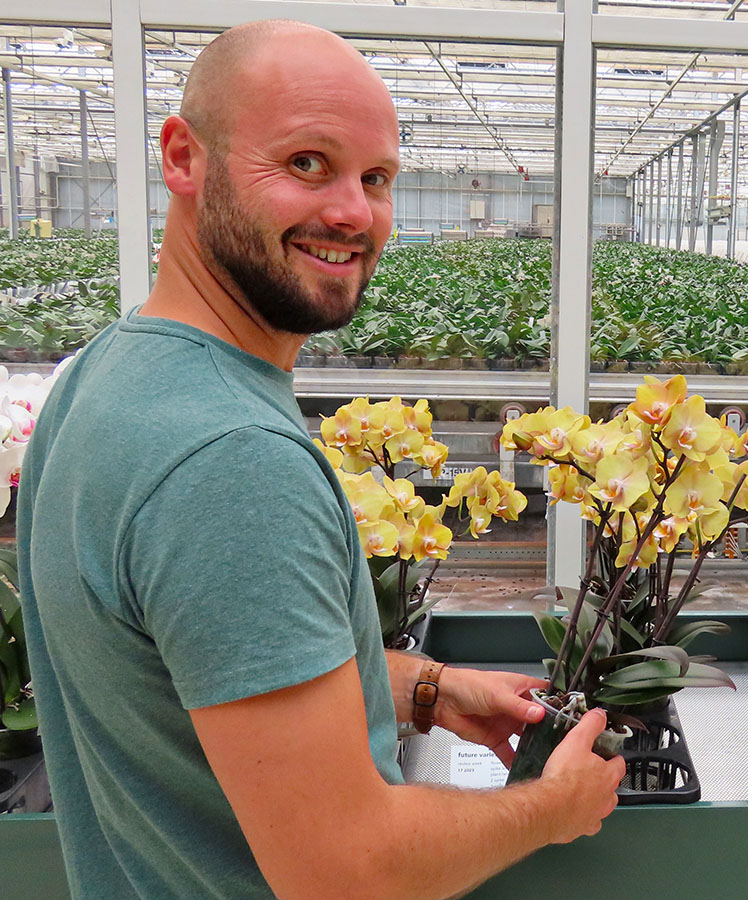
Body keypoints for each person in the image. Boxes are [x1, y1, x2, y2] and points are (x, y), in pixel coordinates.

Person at [17, 19, 624, 900]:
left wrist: (425, 688)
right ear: (183, 158)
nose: (350, 211)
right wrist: (552, 806)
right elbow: (348, 868)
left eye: (375, 178)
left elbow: (202, 661)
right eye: (306, 162)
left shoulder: (106, 372)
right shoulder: (231, 463)